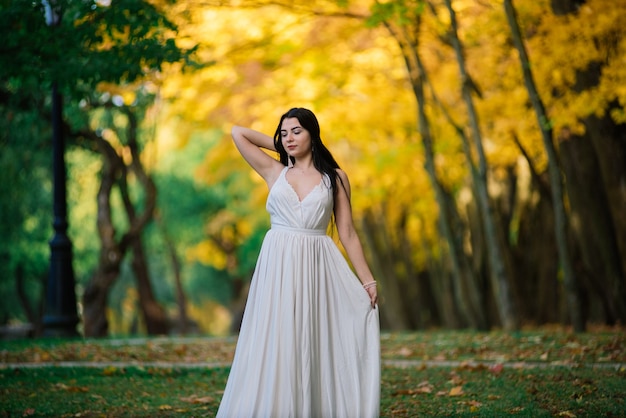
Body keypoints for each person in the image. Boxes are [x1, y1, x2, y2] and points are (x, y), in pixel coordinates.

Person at [215, 107, 380, 418]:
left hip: (318, 265)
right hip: (277, 265)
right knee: (278, 337)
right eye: (284, 132)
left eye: (297, 131)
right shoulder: (274, 172)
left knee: (311, 338)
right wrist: (279, 145)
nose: (289, 138)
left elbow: (347, 233)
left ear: (312, 135)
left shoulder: (336, 178)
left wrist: (367, 280)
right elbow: (238, 132)